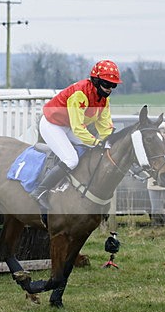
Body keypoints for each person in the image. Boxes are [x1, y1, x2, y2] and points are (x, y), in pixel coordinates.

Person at [29, 60, 120, 210]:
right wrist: (97, 142)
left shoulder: (104, 100)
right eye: (106, 83)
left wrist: (110, 141)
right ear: (96, 81)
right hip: (52, 124)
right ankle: (39, 191)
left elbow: (105, 127)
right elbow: (78, 128)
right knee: (71, 160)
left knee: (92, 150)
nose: (110, 88)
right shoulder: (80, 94)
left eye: (113, 85)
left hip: (67, 125)